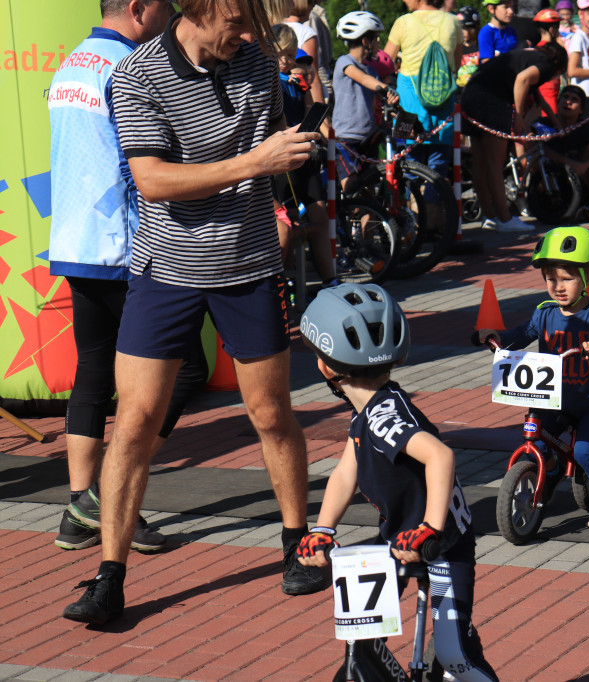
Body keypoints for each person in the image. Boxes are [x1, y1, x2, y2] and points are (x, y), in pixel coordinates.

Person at [62, 0, 329, 627]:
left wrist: (298, 150)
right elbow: (152, 180)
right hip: (166, 274)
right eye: (236, 21)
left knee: (271, 414)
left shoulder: (257, 63)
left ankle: (298, 545)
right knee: (133, 424)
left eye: (252, 25)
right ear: (199, 8)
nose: (247, 35)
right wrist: (253, 165)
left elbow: (273, 152)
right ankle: (110, 577)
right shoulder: (137, 74)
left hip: (249, 266)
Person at [47, 0, 209, 554]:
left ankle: (79, 507)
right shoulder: (133, 66)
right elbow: (142, 162)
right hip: (126, 244)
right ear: (139, 8)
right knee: (184, 372)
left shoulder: (72, 62)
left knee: (94, 371)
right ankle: (108, 498)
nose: (172, 17)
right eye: (167, 7)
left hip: (75, 240)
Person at [295, 283, 499, 682]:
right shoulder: (365, 415)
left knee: (454, 653)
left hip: (443, 545)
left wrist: (430, 529)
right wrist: (322, 529)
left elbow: (440, 455)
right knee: (362, 640)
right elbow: (344, 473)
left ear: (325, 366)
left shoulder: (385, 416)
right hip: (398, 539)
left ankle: (461, 653)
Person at [478, 227, 589, 528]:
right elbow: (522, 334)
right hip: (552, 397)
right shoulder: (544, 313)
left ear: (588, 276)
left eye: (567, 278)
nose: (558, 286)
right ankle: (549, 469)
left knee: (584, 450)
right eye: (550, 278)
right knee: (538, 441)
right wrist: (498, 338)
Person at [461, 43, 567, 231]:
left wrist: (556, 122)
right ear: (558, 65)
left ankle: (489, 216)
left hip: (470, 94)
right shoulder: (546, 64)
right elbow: (522, 79)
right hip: (492, 99)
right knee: (494, 162)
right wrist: (518, 117)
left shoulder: (527, 57)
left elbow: (537, 97)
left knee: (481, 162)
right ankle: (504, 218)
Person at [271, 24, 336, 287]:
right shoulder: (268, 80)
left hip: (304, 158)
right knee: (287, 226)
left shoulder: (296, 81)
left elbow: (312, 111)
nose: (286, 61)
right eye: (280, 55)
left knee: (319, 217)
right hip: (281, 163)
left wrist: (328, 133)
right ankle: (283, 286)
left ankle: (331, 282)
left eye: (289, 54)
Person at [383, 0, 460, 203]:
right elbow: (457, 64)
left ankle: (415, 221)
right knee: (438, 167)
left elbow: (386, 62)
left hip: (409, 101)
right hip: (442, 100)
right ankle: (434, 221)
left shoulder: (404, 22)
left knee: (411, 166)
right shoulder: (453, 22)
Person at [333, 12, 400, 194]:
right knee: (353, 190)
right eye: (376, 39)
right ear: (365, 41)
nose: (378, 43)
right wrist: (385, 88)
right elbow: (362, 79)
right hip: (346, 138)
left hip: (368, 136)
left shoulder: (372, 70)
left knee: (370, 193)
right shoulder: (344, 62)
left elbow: (376, 101)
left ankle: (368, 222)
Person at [537, 85, 589, 216]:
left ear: (581, 110)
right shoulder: (544, 123)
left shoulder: (583, 127)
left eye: (574, 100)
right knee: (536, 152)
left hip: (578, 181)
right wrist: (568, 162)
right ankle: (553, 202)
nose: (568, 101)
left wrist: (585, 165)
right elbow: (534, 146)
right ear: (558, 101)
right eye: (565, 97)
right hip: (548, 183)